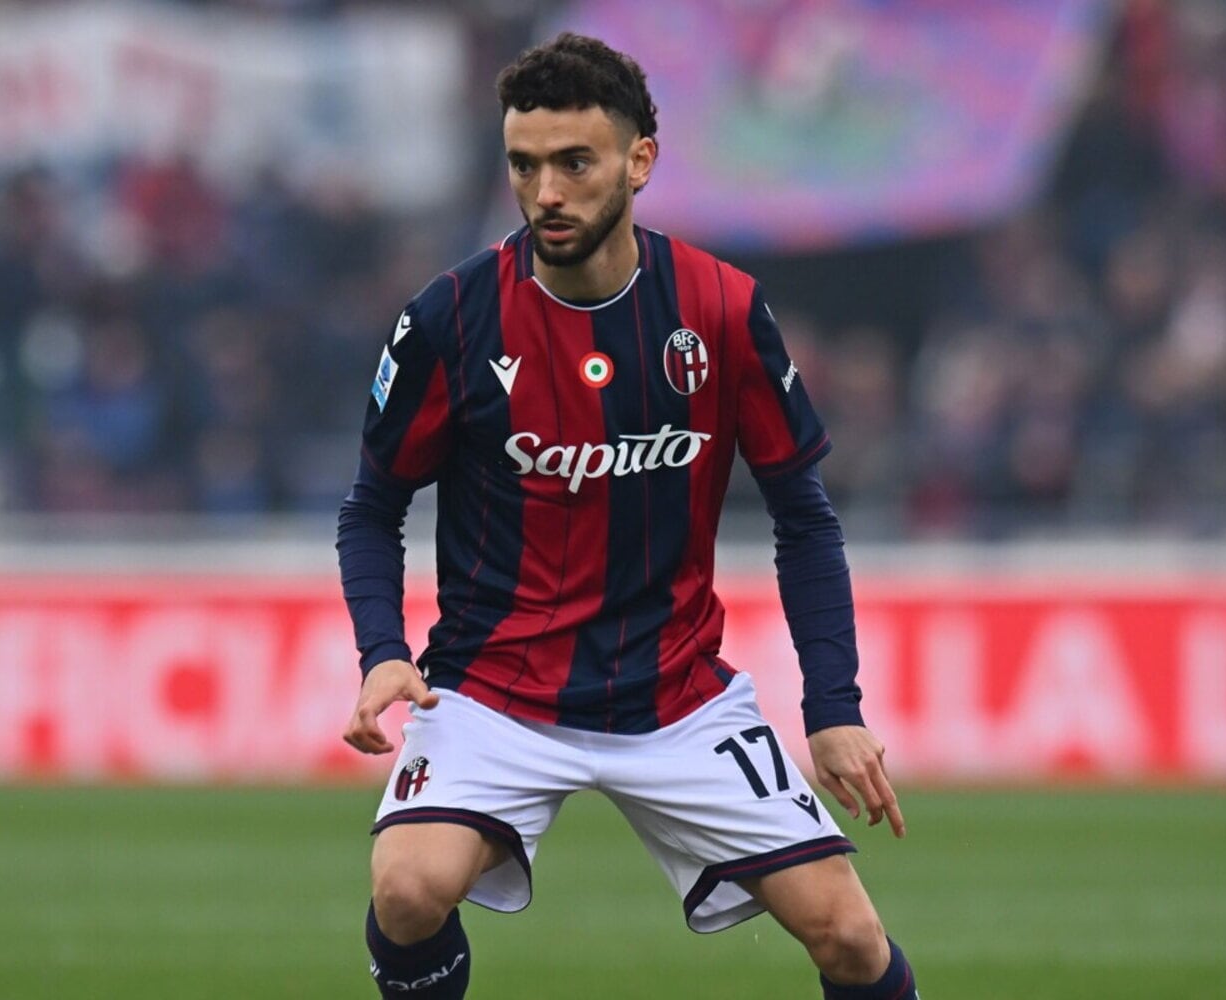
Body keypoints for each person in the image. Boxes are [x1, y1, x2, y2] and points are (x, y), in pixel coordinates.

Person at [335, 32, 919, 999]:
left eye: (575, 163)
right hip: (493, 689)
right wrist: (381, 651)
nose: (546, 192)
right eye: (524, 165)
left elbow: (804, 518)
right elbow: (372, 506)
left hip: (675, 695)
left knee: (852, 941)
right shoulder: (450, 318)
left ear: (640, 160)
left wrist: (833, 710)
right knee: (406, 889)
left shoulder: (722, 311)